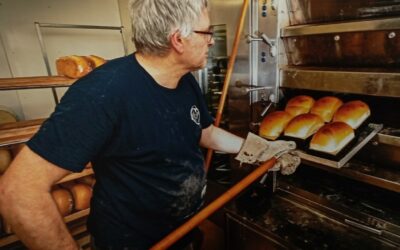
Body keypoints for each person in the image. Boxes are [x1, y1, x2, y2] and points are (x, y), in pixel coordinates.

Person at [0, 0, 298, 249]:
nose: (211, 39)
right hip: (133, 242)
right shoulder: (103, 94)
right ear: (177, 39)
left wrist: (260, 149)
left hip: (184, 231)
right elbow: (17, 191)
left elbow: (204, 132)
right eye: (206, 32)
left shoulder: (185, 81)